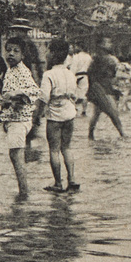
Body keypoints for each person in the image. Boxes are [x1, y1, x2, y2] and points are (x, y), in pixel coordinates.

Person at [0, 36, 42, 200]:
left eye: (16, 51)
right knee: (15, 155)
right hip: (13, 119)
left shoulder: (23, 71)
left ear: (23, 55)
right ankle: (23, 190)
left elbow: (35, 92)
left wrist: (17, 94)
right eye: (8, 50)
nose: (11, 54)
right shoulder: (10, 70)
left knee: (16, 155)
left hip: (19, 120)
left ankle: (24, 192)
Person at [37, 39, 79, 194]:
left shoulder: (48, 74)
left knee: (54, 149)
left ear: (53, 54)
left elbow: (43, 98)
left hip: (54, 116)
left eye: (48, 51)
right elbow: (74, 95)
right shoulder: (70, 73)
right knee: (66, 147)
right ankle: (72, 179)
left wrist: (37, 116)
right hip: (69, 113)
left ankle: (58, 183)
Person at [87, 38, 125, 140]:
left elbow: (90, 74)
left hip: (100, 88)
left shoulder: (95, 60)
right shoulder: (110, 59)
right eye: (108, 42)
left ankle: (90, 135)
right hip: (104, 89)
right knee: (112, 112)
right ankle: (122, 134)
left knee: (97, 113)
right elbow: (116, 74)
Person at [65, 41, 93, 116]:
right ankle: (84, 110)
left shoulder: (76, 57)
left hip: (77, 75)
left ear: (79, 47)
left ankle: (74, 109)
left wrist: (71, 76)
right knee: (84, 94)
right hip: (85, 76)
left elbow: (73, 68)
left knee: (74, 92)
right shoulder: (88, 57)